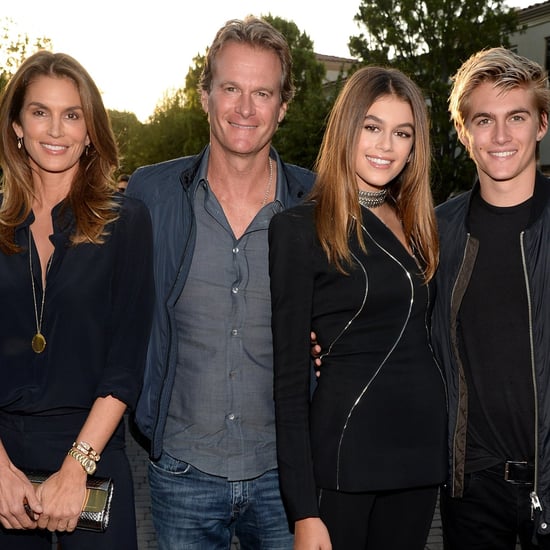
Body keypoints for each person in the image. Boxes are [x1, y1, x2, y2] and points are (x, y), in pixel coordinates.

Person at [125, 15, 315, 549]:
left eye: (263, 92)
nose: (245, 108)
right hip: (181, 470)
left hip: (288, 480)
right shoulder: (151, 194)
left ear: (284, 105)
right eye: (231, 88)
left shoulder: (317, 203)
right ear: (205, 94)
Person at [269, 66, 447, 550]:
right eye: (372, 126)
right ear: (347, 127)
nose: (386, 145)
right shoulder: (298, 229)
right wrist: (303, 511)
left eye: (402, 132)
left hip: (420, 453)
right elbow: (286, 385)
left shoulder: (420, 222)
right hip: (346, 457)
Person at [0, 51, 154, 549]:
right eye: (40, 111)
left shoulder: (127, 221)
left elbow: (126, 361)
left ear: (90, 131)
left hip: (93, 455)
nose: (56, 129)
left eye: (72, 115)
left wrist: (75, 467)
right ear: (17, 126)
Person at [431, 47, 550, 549]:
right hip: (472, 488)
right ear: (464, 131)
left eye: (516, 117)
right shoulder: (435, 232)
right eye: (484, 120)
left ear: (542, 125)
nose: (501, 137)